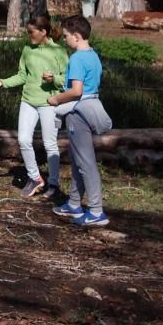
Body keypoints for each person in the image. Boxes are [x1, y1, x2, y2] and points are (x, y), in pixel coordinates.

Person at [0, 13, 69, 197]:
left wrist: (54, 79)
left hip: (49, 103)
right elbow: (22, 75)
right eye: (28, 32)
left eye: (32, 32)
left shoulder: (59, 52)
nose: (29, 35)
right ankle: (35, 178)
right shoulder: (27, 49)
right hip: (28, 101)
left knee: (50, 144)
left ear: (43, 32)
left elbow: (68, 80)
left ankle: (53, 184)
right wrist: (2, 82)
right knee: (23, 139)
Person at [48, 14, 113, 226]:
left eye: (66, 36)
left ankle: (96, 210)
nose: (64, 39)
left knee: (85, 161)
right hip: (91, 106)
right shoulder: (93, 55)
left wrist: (56, 99)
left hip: (79, 113)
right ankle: (74, 203)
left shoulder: (76, 58)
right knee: (77, 160)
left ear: (76, 36)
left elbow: (76, 91)